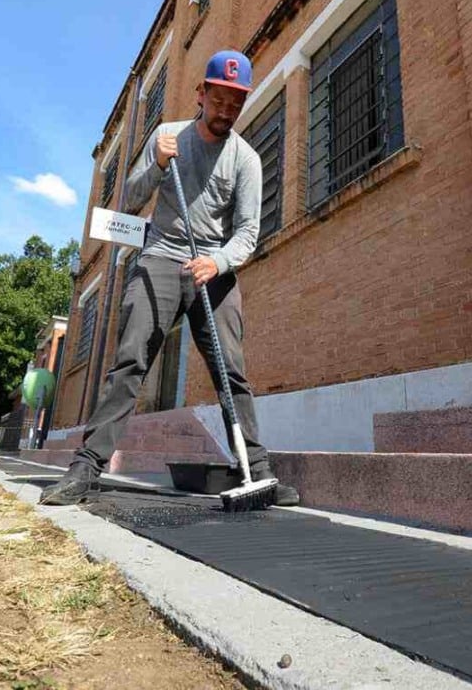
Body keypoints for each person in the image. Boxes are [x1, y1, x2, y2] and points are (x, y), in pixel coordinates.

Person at [41, 49, 299, 507]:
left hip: (212, 270)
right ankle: (85, 468)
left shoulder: (246, 159)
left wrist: (217, 263)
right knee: (130, 362)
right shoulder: (167, 136)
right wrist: (157, 164)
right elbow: (134, 197)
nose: (226, 112)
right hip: (160, 258)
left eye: (235, 104)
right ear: (201, 94)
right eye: (219, 101)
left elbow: (247, 233)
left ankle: (256, 470)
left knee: (231, 372)